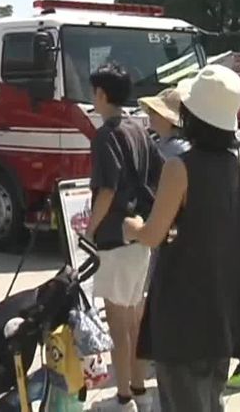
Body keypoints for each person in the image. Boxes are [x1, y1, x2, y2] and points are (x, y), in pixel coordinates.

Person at [123, 64, 240, 412]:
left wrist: (131, 226)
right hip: (219, 316)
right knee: (209, 401)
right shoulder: (234, 167)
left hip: (182, 314)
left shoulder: (180, 168)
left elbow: (153, 234)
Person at [86, 63, 161, 409]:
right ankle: (139, 390)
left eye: (94, 93)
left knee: (117, 322)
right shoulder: (139, 129)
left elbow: (106, 191)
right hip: (140, 232)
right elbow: (159, 173)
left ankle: (123, 398)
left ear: (102, 94)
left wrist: (89, 231)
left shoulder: (105, 136)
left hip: (114, 236)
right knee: (135, 316)